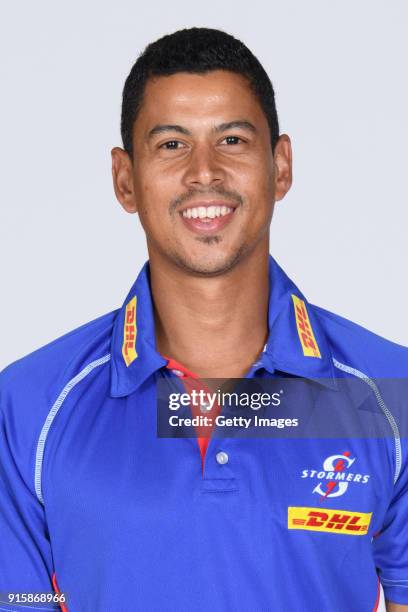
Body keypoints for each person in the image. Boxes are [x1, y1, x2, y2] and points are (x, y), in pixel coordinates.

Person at [0, 27, 407, 612]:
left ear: (281, 165)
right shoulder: (28, 408)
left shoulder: (391, 396)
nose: (204, 171)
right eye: (170, 145)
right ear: (125, 179)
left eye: (233, 140)